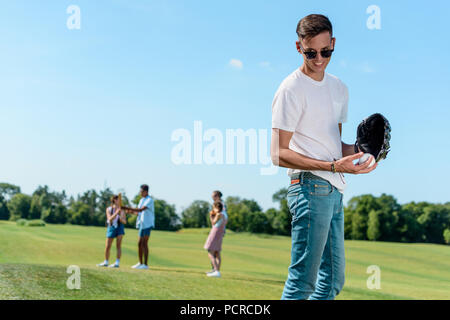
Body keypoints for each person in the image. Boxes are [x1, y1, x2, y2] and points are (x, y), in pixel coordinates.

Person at [271, 14, 377, 300]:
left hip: (335, 190)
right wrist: (331, 165)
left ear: (333, 44)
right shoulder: (290, 89)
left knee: (331, 282)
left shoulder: (339, 88)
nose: (319, 58)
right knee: (303, 282)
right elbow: (277, 153)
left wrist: (363, 151)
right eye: (311, 52)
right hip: (308, 188)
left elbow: (332, 145)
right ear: (298, 47)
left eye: (326, 51)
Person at [122, 184, 155, 270]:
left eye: (141, 192)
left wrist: (126, 207)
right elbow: (138, 212)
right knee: (139, 243)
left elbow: (141, 209)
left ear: (146, 192)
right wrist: (129, 211)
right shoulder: (141, 200)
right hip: (142, 224)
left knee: (144, 243)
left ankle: (145, 264)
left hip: (147, 224)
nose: (140, 193)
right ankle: (140, 263)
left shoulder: (149, 200)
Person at [97, 195, 127, 268]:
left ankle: (117, 263)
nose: (118, 201)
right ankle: (106, 261)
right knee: (108, 246)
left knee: (118, 246)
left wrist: (120, 219)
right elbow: (109, 219)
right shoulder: (109, 209)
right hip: (111, 227)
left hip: (120, 227)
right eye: (117, 199)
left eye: (119, 200)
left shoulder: (122, 210)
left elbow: (124, 221)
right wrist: (116, 213)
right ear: (114, 200)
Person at [204, 201, 228, 278]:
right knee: (217, 253)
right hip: (220, 234)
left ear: (217, 208)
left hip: (215, 233)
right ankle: (217, 271)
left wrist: (211, 216)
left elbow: (213, 223)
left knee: (210, 252)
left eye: (214, 207)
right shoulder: (224, 215)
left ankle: (216, 271)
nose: (213, 209)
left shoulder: (218, 214)